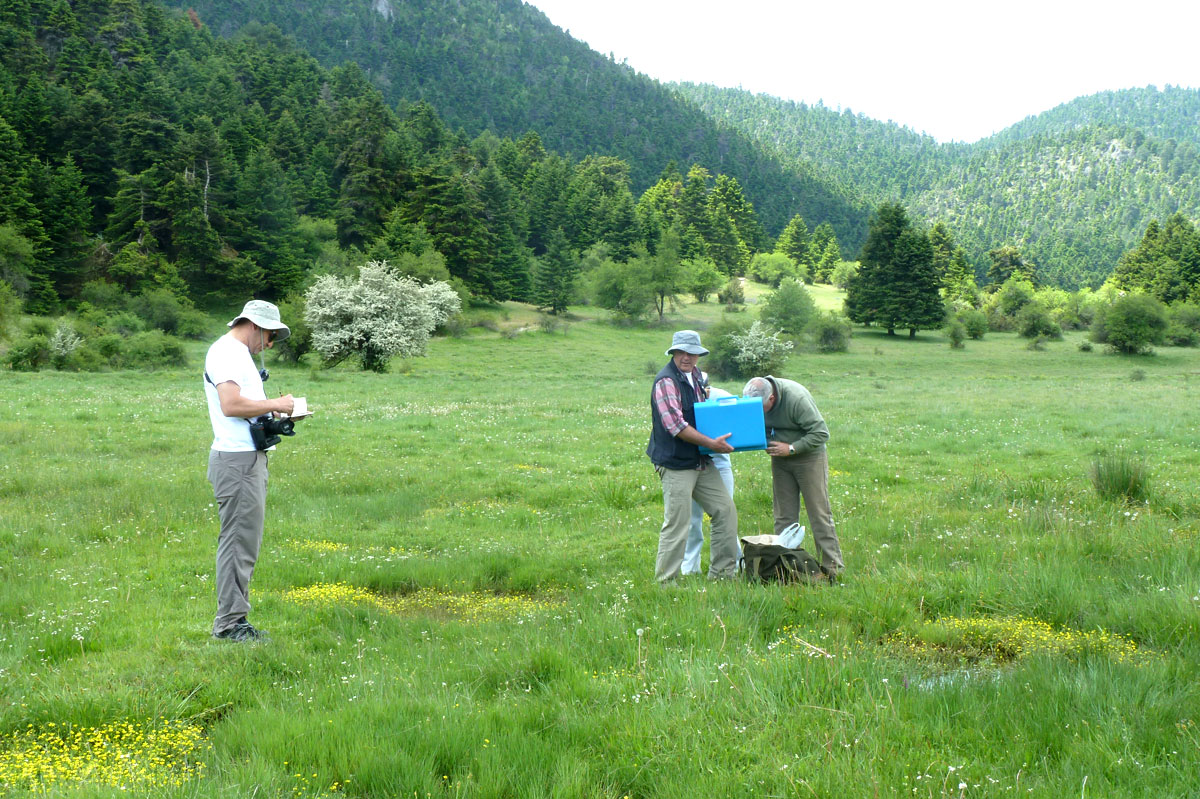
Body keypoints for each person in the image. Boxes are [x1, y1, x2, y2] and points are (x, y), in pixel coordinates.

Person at [204, 300, 295, 641]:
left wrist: (275, 417)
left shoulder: (239, 355)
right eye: (271, 336)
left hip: (247, 458)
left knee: (245, 542)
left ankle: (234, 621)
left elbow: (247, 409)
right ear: (255, 325)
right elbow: (231, 405)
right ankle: (229, 626)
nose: (269, 345)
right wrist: (277, 404)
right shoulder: (226, 352)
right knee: (238, 543)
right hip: (237, 461)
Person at [647, 331, 739, 583]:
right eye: (682, 352)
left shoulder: (697, 376)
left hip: (701, 459)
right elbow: (675, 426)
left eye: (693, 353)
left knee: (725, 510)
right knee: (678, 523)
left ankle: (722, 575)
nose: (687, 357)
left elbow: (705, 414)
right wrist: (711, 443)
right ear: (673, 352)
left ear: (699, 355)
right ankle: (666, 584)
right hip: (676, 463)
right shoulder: (665, 381)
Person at [742, 375, 843, 579]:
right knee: (784, 517)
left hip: (808, 457)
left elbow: (821, 433)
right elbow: (753, 425)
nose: (755, 411)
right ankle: (785, 567)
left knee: (819, 514)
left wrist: (791, 448)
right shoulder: (755, 402)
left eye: (759, 407)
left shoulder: (796, 398)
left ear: (771, 399)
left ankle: (833, 569)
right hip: (780, 457)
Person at [681, 373, 738, 576]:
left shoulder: (722, 397)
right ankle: (690, 567)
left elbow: (739, 418)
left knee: (726, 514)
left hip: (719, 463)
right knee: (691, 517)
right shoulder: (682, 399)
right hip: (690, 464)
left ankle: (734, 562)